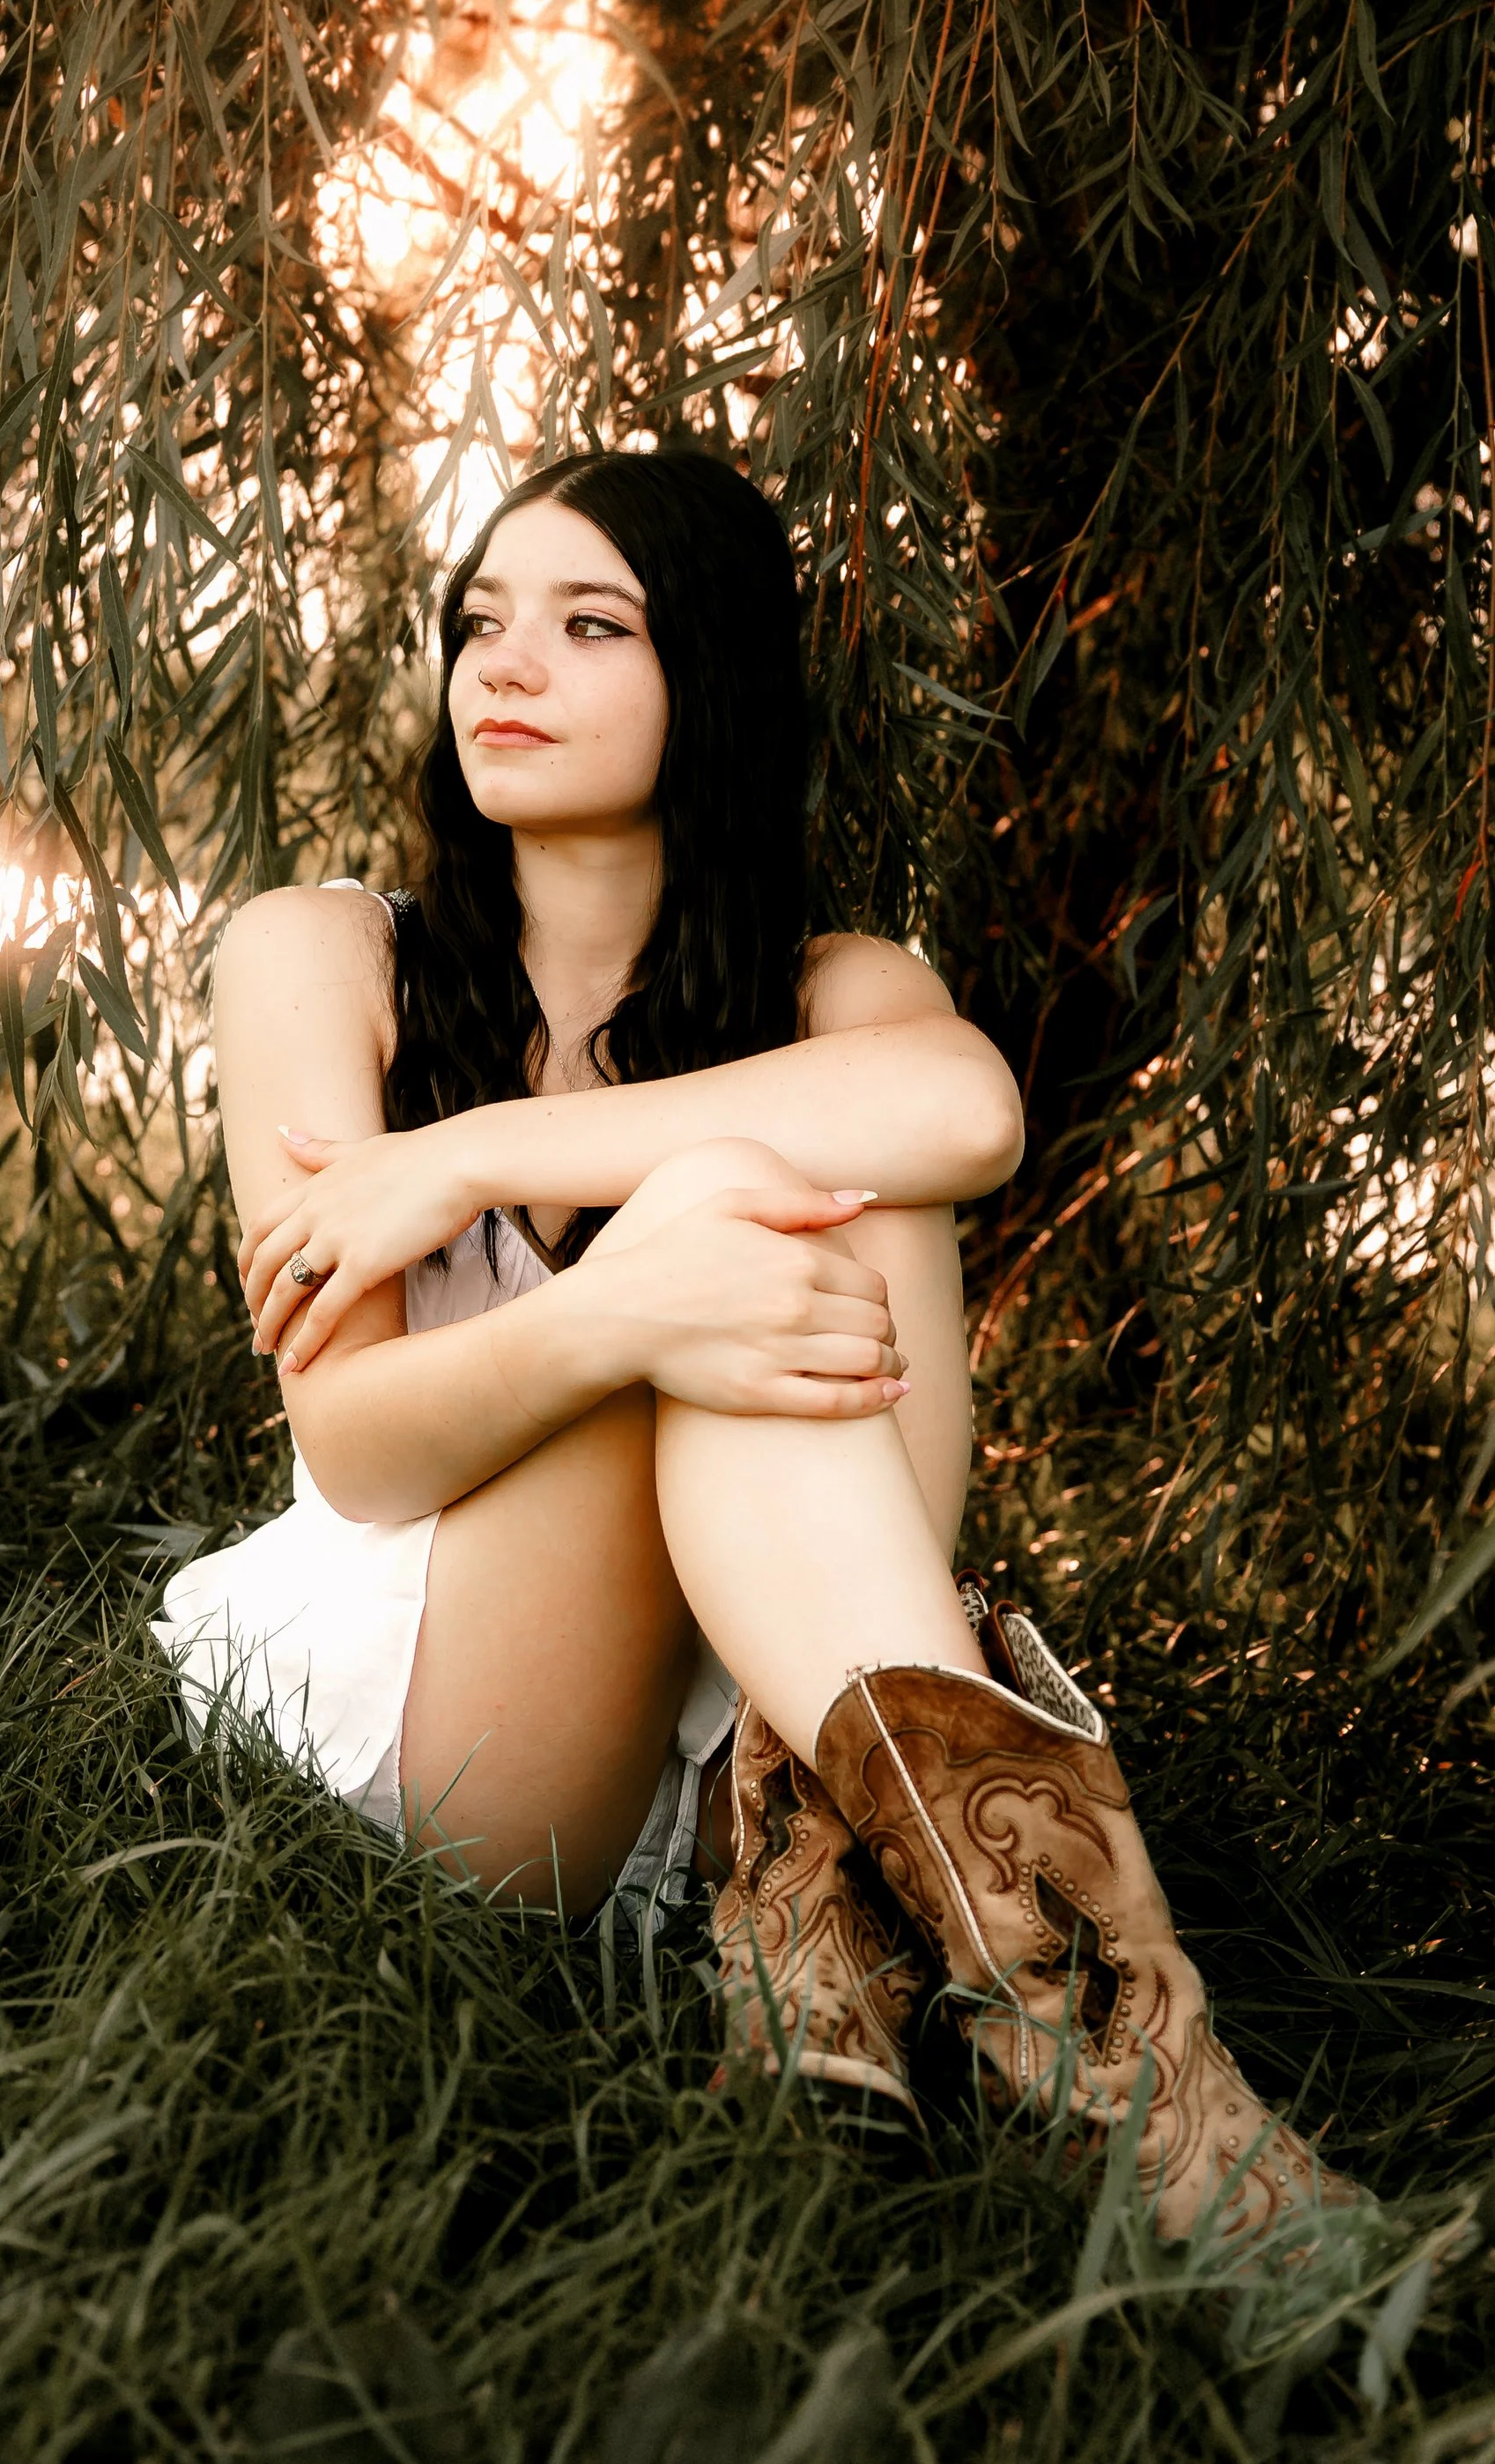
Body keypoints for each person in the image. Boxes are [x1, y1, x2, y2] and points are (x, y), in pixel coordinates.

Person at [153, 448, 1344, 2240]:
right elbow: (361, 1452)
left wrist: (467, 1157)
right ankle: (1033, 2019)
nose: (501, 666)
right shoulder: (321, 957)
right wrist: (632, 1302)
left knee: (808, 1157)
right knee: (728, 1200)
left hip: (713, 1739)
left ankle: (1074, 2051)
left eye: (586, 624)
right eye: (479, 622)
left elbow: (963, 1115)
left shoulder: (831, 988)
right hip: (458, 1722)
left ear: (704, 678)